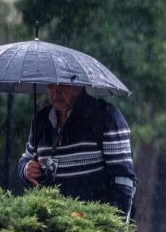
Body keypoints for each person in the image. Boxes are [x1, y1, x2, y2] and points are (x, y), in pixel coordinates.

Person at [17, 83, 136, 221]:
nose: (56, 91)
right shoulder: (40, 121)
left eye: (63, 84)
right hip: (51, 226)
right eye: (51, 85)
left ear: (79, 84)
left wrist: (116, 228)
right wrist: (26, 170)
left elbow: (123, 180)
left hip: (95, 227)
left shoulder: (106, 116)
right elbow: (25, 160)